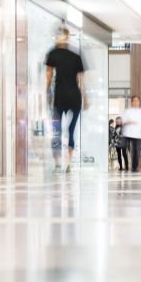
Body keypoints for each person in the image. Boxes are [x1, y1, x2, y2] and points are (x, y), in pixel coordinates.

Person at [44, 27, 88, 173]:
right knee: (70, 130)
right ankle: (68, 162)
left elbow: (49, 77)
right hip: (74, 97)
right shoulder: (75, 56)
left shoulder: (52, 54)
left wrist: (45, 93)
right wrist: (86, 98)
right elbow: (80, 80)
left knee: (57, 131)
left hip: (60, 97)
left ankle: (58, 163)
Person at [121, 96, 141, 173]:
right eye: (134, 101)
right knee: (123, 146)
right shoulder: (127, 111)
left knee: (136, 151)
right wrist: (129, 121)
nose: (136, 102)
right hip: (128, 133)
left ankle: (134, 168)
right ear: (131, 102)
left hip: (138, 134)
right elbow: (122, 120)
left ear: (139, 102)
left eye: (137, 101)